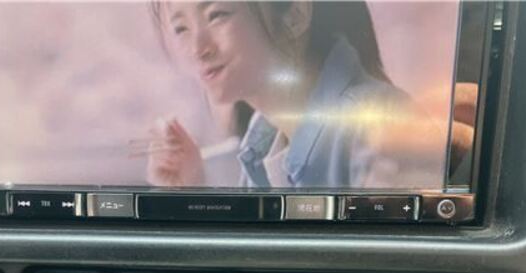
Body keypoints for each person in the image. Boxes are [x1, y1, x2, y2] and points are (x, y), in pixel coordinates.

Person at [144, 1, 446, 189]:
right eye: (181, 29)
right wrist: (188, 190)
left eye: (217, 15)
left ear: (296, 13)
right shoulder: (261, 149)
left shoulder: (384, 126)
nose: (198, 48)